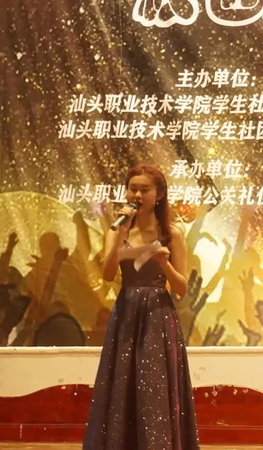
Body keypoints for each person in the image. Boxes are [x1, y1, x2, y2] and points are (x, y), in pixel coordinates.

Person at [83, 164, 200, 450]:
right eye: (132, 188)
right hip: (126, 310)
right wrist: (119, 234)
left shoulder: (172, 234)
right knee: (122, 381)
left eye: (144, 189)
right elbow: (108, 274)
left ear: (159, 195)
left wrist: (164, 264)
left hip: (158, 313)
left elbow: (182, 288)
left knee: (154, 384)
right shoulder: (117, 230)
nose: (137, 194)